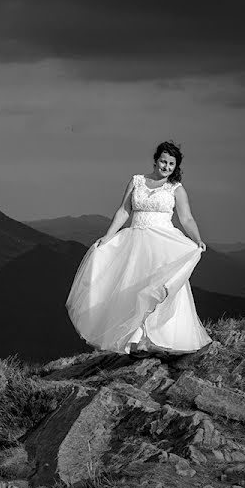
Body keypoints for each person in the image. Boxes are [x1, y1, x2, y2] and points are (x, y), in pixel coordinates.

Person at [65, 140, 212, 356]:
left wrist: (197, 239)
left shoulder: (176, 190)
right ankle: (135, 339)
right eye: (163, 161)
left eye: (171, 164)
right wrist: (108, 236)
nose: (166, 167)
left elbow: (186, 218)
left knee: (157, 288)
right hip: (134, 242)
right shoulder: (137, 181)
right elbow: (124, 211)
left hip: (163, 243)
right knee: (133, 286)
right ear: (155, 161)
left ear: (176, 166)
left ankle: (160, 337)